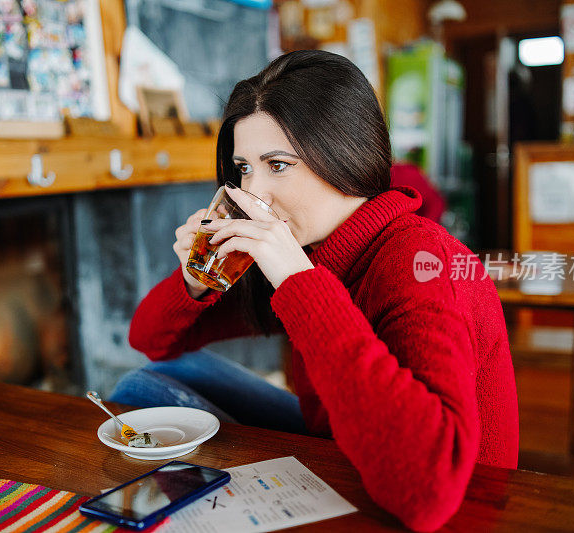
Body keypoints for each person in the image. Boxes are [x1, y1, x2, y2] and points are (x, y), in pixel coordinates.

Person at [111, 50, 518, 532]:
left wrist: (298, 282)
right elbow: (152, 340)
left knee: (144, 393)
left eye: (277, 165)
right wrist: (196, 282)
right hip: (345, 437)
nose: (252, 193)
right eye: (243, 169)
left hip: (450, 496)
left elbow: (429, 491)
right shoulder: (305, 244)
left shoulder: (419, 260)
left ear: (346, 153)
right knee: (150, 377)